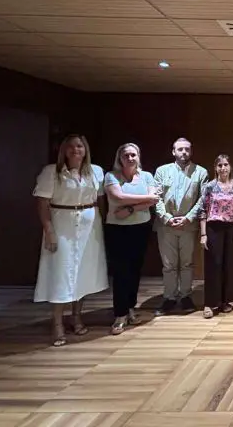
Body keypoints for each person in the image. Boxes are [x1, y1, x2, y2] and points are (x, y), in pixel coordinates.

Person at [33, 134, 109, 347]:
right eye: (71, 147)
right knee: (61, 272)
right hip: (62, 225)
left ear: (86, 149)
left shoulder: (95, 171)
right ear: (64, 150)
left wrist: (102, 224)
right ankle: (57, 323)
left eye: (80, 146)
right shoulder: (52, 172)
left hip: (89, 227)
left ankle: (77, 317)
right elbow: (42, 204)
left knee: (83, 273)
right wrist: (49, 230)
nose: (76, 150)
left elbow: (100, 201)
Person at [104, 143, 159, 335]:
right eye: (126, 155)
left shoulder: (147, 176)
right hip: (117, 229)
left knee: (135, 270)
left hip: (141, 227)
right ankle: (120, 314)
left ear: (138, 157)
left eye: (133, 155)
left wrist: (129, 209)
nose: (130, 158)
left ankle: (130, 308)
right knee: (121, 272)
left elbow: (154, 200)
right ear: (119, 158)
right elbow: (117, 197)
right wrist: (145, 199)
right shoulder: (111, 176)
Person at [153, 138, 208, 316]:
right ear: (173, 152)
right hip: (166, 225)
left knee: (186, 263)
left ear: (191, 152)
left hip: (188, 225)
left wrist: (188, 218)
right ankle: (169, 297)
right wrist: (166, 218)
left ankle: (185, 296)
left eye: (187, 149)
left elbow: (203, 199)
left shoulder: (201, 172)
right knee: (168, 265)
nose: (184, 152)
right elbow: (156, 197)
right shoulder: (162, 171)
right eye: (180, 149)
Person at [199, 155, 233, 318]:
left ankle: (225, 301)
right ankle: (210, 303)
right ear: (215, 168)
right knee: (214, 265)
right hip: (214, 228)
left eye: (226, 165)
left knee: (230, 265)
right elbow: (202, 210)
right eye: (220, 165)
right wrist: (203, 234)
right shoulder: (209, 187)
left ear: (230, 167)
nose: (223, 168)